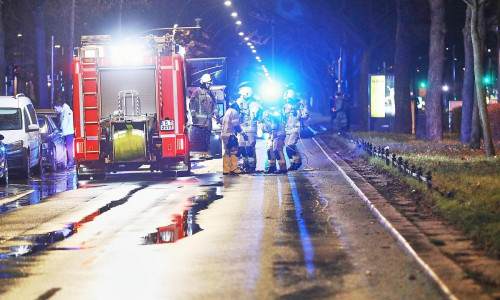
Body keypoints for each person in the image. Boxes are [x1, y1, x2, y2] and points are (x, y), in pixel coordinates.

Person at [188, 73, 219, 159]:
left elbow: (214, 106)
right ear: (203, 83)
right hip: (199, 121)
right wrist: (193, 116)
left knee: (207, 137)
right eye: (208, 83)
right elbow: (192, 105)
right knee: (201, 138)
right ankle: (201, 153)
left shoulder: (210, 94)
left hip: (208, 121)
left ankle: (206, 152)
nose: (209, 85)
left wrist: (217, 117)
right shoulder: (197, 92)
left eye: (210, 83)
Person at [236, 86, 262, 173]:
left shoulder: (254, 104)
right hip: (242, 129)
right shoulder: (239, 102)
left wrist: (246, 112)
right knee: (242, 148)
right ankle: (245, 165)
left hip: (251, 129)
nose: (241, 97)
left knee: (250, 148)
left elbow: (255, 115)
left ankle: (252, 166)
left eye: (243, 95)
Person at [282, 89, 309, 171]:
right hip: (287, 128)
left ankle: (298, 161)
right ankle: (292, 163)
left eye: (289, 99)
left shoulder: (299, 105)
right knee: (287, 146)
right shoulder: (285, 106)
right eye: (286, 99)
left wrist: (299, 115)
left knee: (291, 144)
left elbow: (306, 115)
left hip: (295, 127)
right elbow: (282, 117)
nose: (287, 100)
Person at [221, 102, 246, 175]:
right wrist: (243, 134)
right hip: (230, 135)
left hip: (224, 134)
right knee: (235, 150)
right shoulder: (234, 112)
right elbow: (236, 126)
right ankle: (233, 168)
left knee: (227, 152)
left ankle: (226, 170)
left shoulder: (227, 111)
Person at [54, 100, 75, 168]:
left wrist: (65, 130)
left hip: (68, 132)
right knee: (67, 147)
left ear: (59, 107)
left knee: (69, 147)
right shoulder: (64, 112)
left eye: (55, 108)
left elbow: (69, 122)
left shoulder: (67, 111)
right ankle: (69, 161)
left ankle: (71, 161)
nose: (55, 110)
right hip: (66, 132)